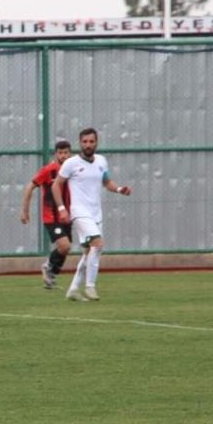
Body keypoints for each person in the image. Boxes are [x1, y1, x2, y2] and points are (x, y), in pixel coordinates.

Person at [51, 128, 132, 302]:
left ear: (96, 142)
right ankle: (90, 286)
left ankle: (73, 289)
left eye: (91, 141)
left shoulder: (101, 161)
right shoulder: (71, 163)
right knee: (98, 244)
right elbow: (56, 185)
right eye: (85, 142)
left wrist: (119, 189)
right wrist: (62, 208)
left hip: (96, 213)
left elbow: (106, 181)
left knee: (89, 252)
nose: (88, 145)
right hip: (79, 212)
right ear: (80, 143)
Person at [20, 139, 73, 289]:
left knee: (66, 249)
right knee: (64, 245)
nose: (63, 156)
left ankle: (51, 276)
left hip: (67, 216)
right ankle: (48, 266)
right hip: (51, 216)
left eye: (66, 153)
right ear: (56, 154)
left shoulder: (73, 170)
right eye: (60, 153)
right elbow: (30, 187)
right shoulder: (48, 170)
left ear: (70, 154)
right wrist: (25, 210)